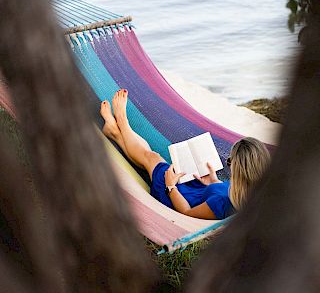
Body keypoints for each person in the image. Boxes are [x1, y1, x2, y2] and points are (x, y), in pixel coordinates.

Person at [100, 89, 270, 220]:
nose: (229, 163)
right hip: (199, 191)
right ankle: (114, 132)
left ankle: (122, 121)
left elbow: (187, 213)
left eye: (230, 161)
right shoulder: (252, 192)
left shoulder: (223, 203)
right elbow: (224, 193)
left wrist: (170, 186)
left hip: (178, 198)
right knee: (153, 161)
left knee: (153, 159)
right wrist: (213, 181)